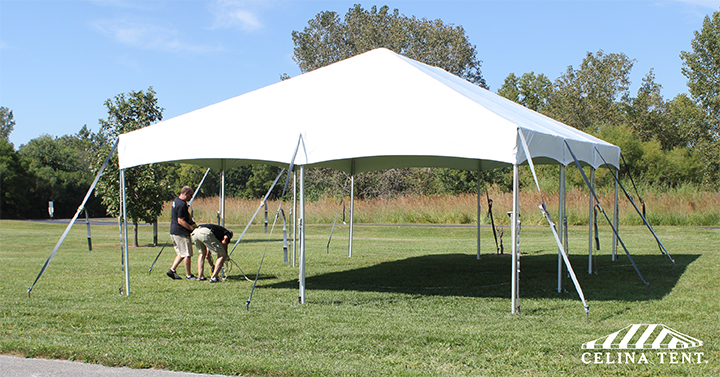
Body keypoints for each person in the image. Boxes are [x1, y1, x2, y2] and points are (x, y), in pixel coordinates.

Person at [167, 186, 197, 280]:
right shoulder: (182, 205)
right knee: (187, 254)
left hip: (174, 231)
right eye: (190, 195)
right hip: (181, 233)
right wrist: (192, 229)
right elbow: (181, 221)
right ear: (185, 194)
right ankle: (188, 275)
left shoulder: (176, 201)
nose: (191, 197)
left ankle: (172, 270)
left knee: (181, 253)